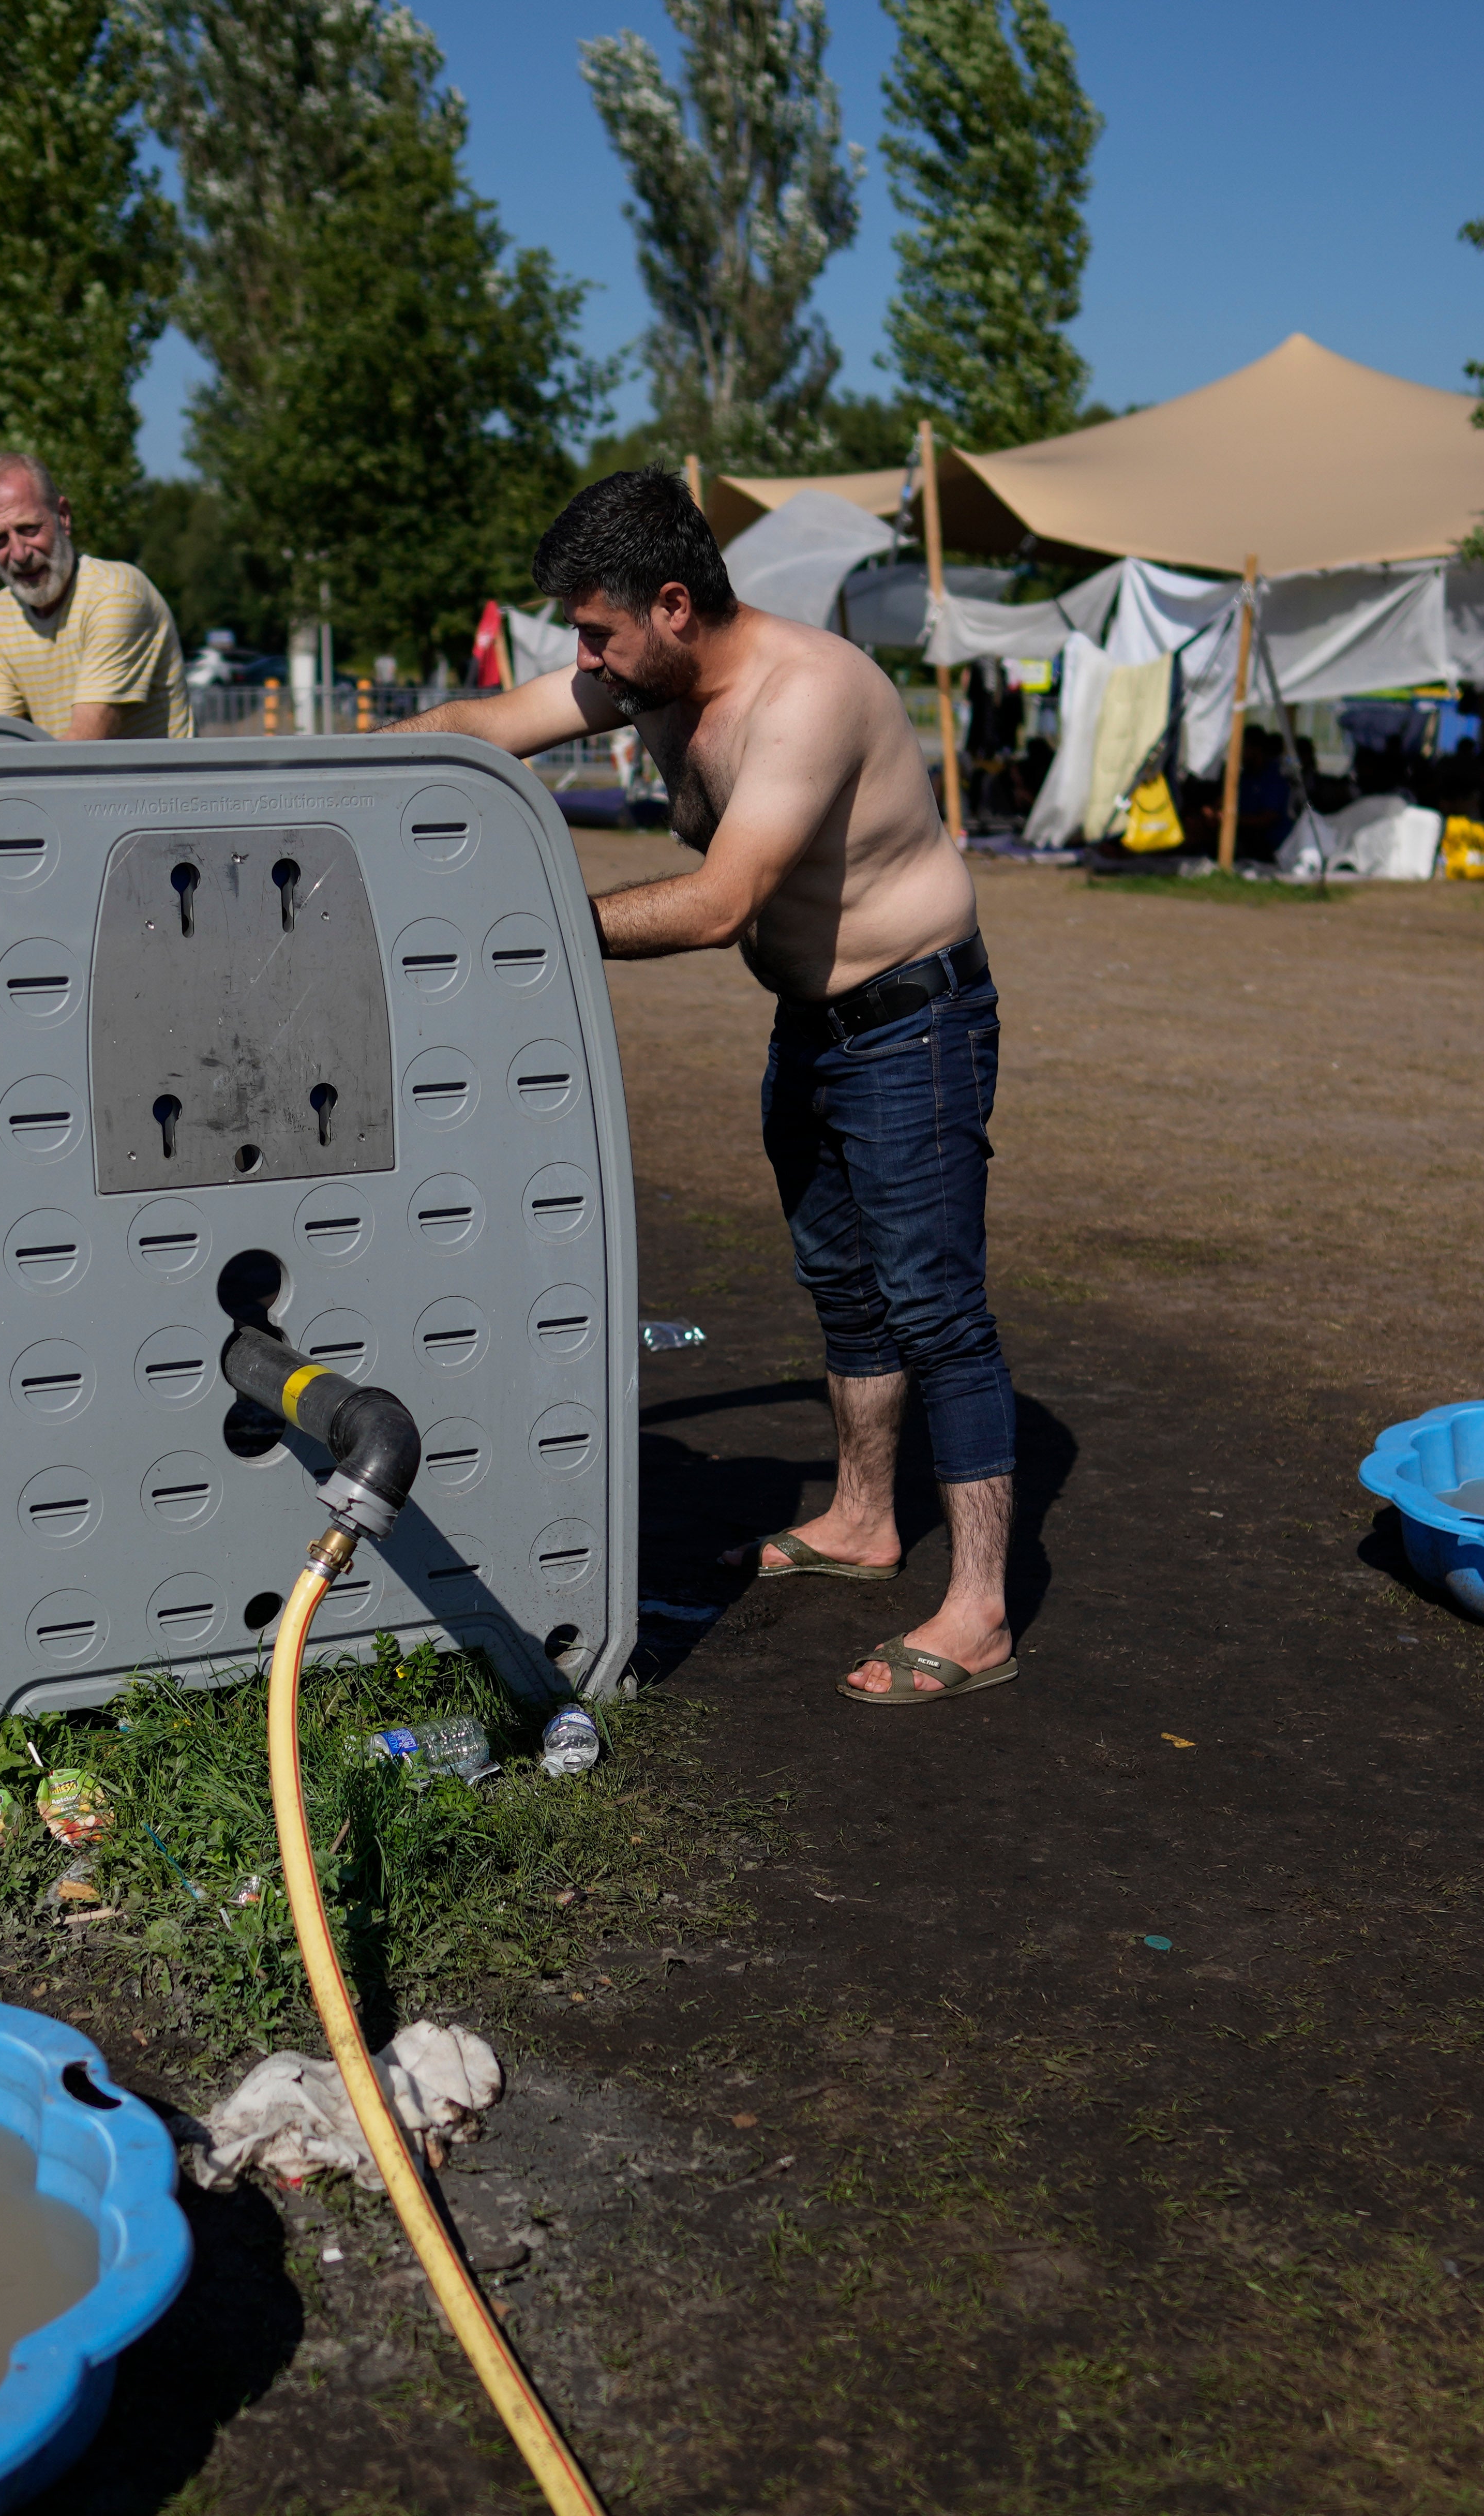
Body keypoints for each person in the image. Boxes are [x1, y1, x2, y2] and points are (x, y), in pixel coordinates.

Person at [400, 469, 1015, 1705]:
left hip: (914, 1019)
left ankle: (984, 1605)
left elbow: (720, 902)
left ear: (673, 605)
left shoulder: (806, 696)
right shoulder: (646, 675)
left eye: (596, 633)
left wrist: (527, 926)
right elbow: (477, 730)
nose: (584, 662)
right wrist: (310, 771)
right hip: (812, 1020)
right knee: (843, 1285)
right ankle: (860, 1518)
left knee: (935, 1304)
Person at [0, 452, 189, 740]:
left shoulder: (115, 594)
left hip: (151, 785)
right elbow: (1, 748)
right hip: (70, 783)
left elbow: (83, 749)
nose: (19, 554)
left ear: (64, 517)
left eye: (29, 529)